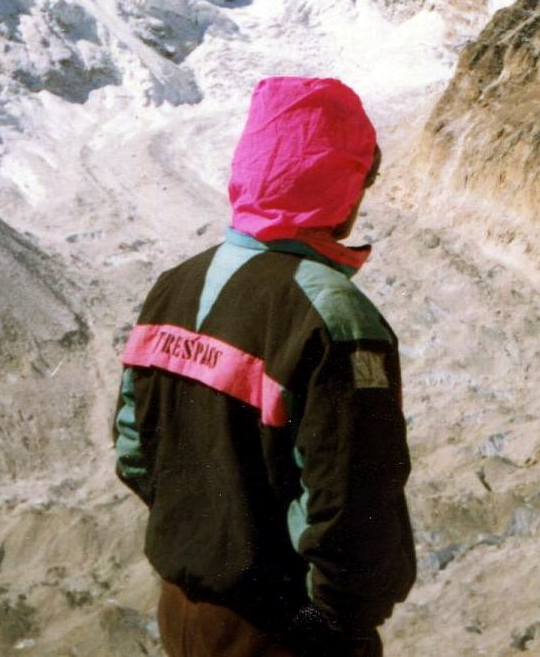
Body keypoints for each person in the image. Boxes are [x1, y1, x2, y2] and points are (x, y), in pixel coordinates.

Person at [114, 76, 416, 657]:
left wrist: (209, 534)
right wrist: (328, 625)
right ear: (338, 182)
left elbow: (134, 450)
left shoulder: (172, 289)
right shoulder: (334, 318)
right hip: (280, 633)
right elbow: (352, 507)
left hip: (182, 616)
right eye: (360, 176)